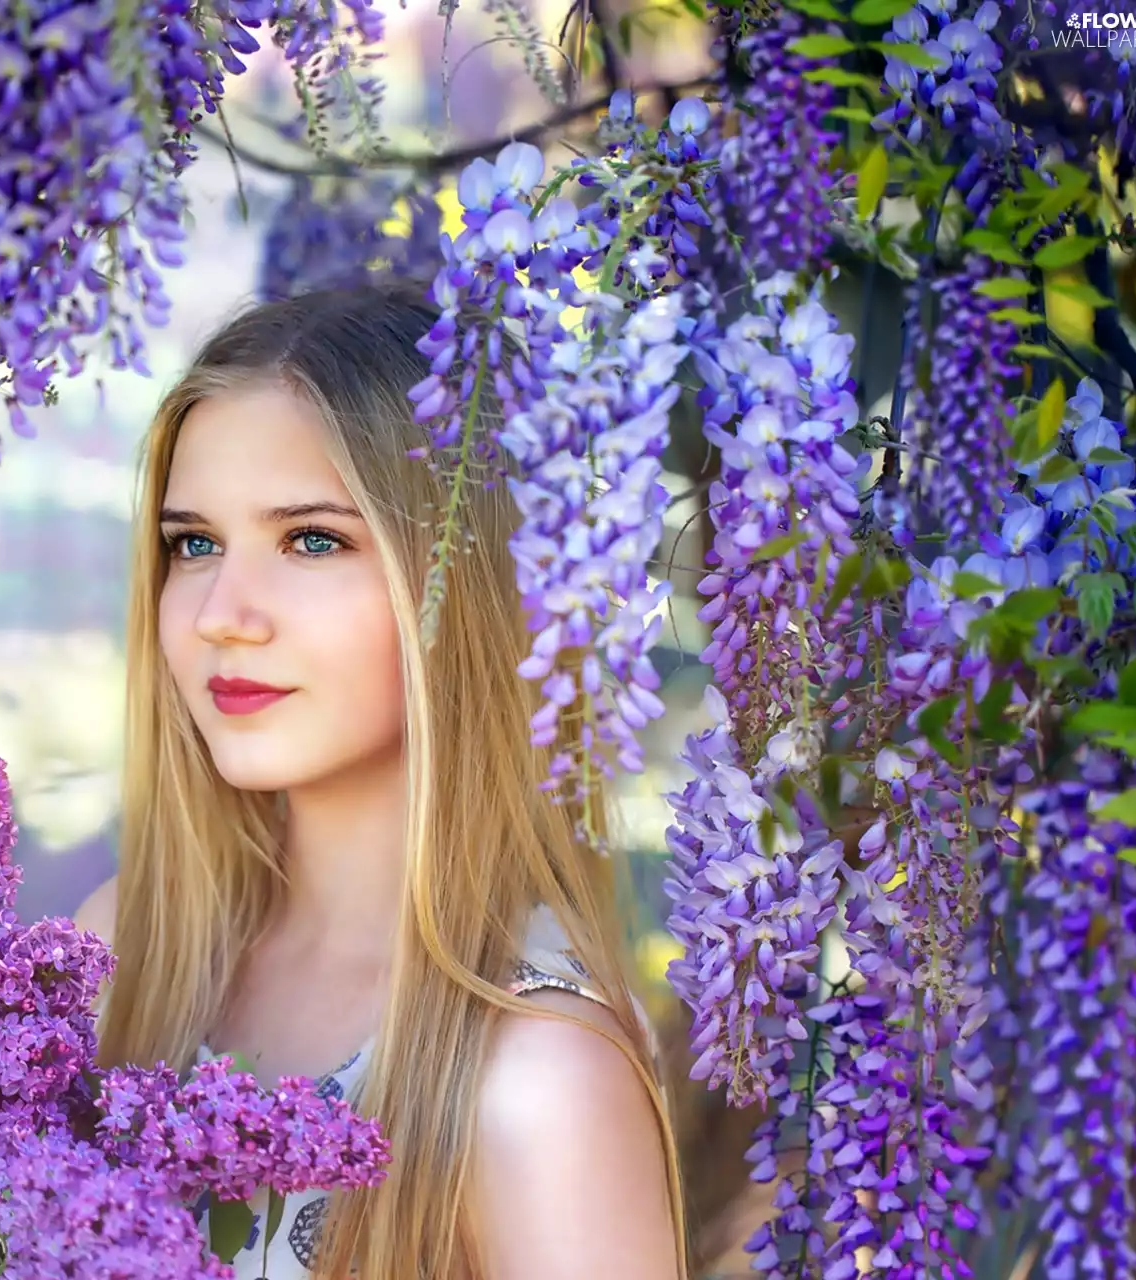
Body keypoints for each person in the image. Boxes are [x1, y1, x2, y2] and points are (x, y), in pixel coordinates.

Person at [74, 284, 686, 1280]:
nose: (224, 613)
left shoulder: (535, 1077)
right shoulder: (121, 954)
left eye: (313, 539)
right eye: (195, 543)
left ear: (466, 580)